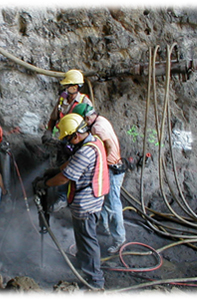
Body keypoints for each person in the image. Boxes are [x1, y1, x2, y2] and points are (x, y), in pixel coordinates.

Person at [35, 113, 110, 289]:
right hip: (93, 199)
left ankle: (95, 281)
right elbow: (69, 164)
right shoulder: (94, 142)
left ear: (75, 135)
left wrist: (45, 183)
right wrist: (54, 170)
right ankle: (85, 265)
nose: (68, 143)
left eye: (68, 139)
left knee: (87, 240)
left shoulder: (85, 152)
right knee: (84, 238)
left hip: (86, 203)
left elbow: (64, 177)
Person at [72, 103, 126, 254]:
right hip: (113, 165)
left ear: (87, 118)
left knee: (113, 204)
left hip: (111, 168)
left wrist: (99, 164)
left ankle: (119, 240)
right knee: (103, 198)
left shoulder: (97, 128)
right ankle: (104, 227)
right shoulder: (101, 120)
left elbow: (108, 145)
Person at [42, 69, 93, 145]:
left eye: (67, 86)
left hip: (76, 140)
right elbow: (53, 118)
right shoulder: (62, 99)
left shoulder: (85, 102)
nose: (65, 88)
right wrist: (49, 131)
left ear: (75, 87)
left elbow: (90, 124)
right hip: (64, 137)